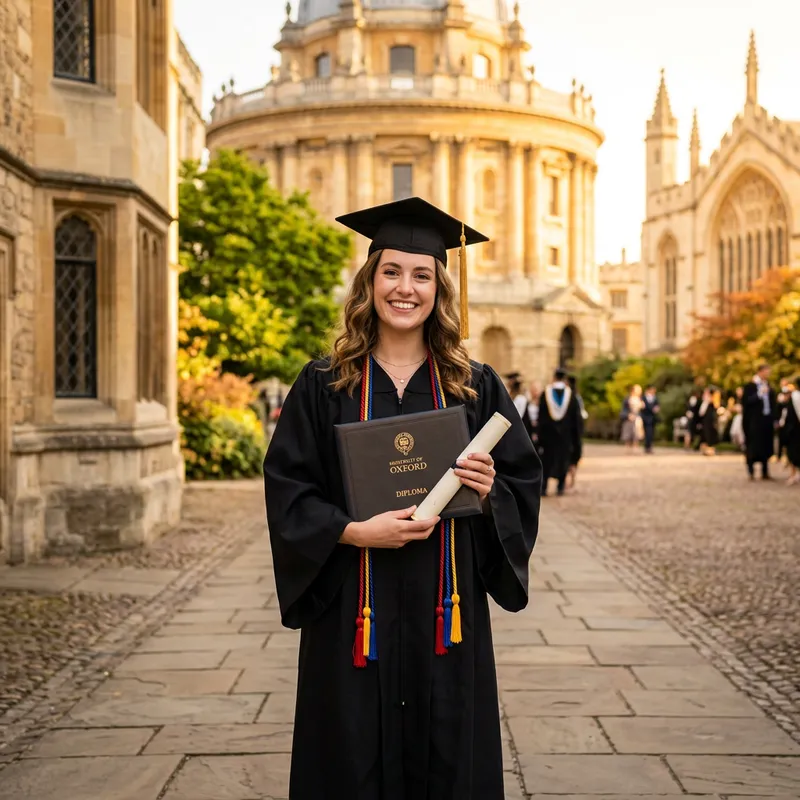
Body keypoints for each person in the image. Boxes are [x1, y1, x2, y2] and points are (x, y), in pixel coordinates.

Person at [263, 197, 542, 800]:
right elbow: (288, 488)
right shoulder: (324, 384)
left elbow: (522, 483)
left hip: (448, 611)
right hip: (353, 615)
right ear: (370, 281)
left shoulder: (473, 387)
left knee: (446, 757)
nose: (405, 289)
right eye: (392, 272)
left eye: (422, 275)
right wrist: (353, 532)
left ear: (440, 289)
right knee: (351, 755)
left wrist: (492, 491)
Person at [538, 368, 581, 496]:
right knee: (563, 459)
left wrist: (541, 435)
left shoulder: (545, 394)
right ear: (564, 378)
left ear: (554, 377)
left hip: (548, 436)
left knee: (547, 460)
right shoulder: (571, 396)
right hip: (566, 436)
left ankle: (544, 486)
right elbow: (576, 421)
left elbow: (541, 417)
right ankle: (560, 486)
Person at [742, 363, 778, 480]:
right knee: (753, 446)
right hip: (754, 422)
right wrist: (759, 394)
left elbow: (773, 404)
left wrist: (774, 418)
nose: (768, 374)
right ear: (761, 371)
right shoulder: (750, 387)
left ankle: (765, 471)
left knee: (765, 445)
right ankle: (751, 471)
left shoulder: (768, 386)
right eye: (767, 371)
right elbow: (746, 403)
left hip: (766, 420)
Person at [565, 374, 586, 489]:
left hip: (569, 431)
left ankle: (570, 478)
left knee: (570, 456)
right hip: (575, 431)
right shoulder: (577, 397)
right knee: (573, 455)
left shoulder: (571, 397)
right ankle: (572, 478)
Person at [780, 377, 800, 485]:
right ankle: (794, 473)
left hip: (794, 431)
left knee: (794, 453)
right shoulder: (790, 401)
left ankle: (794, 474)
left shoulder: (795, 398)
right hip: (791, 432)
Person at [695, 386, 720, 456]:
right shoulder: (703, 402)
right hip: (704, 421)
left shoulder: (712, 402)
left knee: (709, 435)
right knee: (704, 436)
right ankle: (705, 450)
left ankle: (710, 450)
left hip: (709, 421)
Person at [620, 384, 644, 453]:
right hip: (629, 418)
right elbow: (623, 409)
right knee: (628, 434)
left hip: (637, 418)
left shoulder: (641, 399)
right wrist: (628, 415)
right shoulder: (628, 398)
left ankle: (635, 448)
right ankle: (627, 449)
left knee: (637, 434)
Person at [641, 385, 660, 454]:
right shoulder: (643, 398)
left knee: (651, 433)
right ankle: (647, 447)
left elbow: (657, 405)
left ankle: (649, 447)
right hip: (645, 418)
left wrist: (657, 409)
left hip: (652, 418)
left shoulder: (655, 398)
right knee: (647, 433)